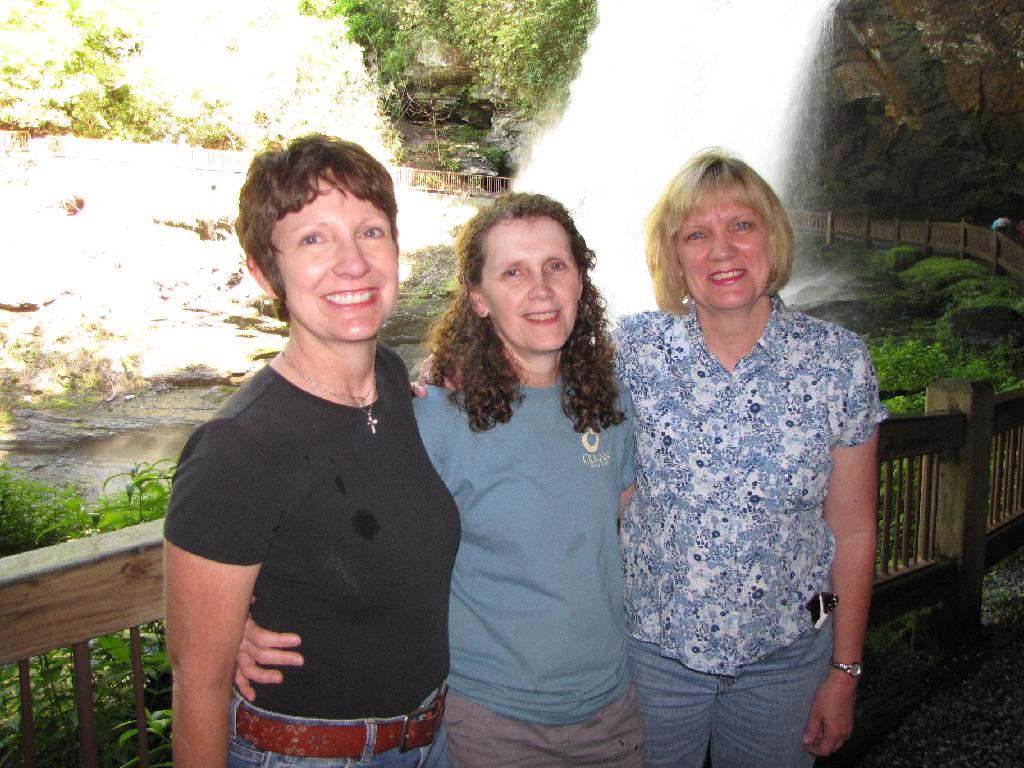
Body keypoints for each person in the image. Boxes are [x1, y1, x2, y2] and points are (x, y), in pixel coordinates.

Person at [235, 192, 646, 767]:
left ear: (581, 279)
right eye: (512, 272)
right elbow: (336, 525)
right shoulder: (435, 416)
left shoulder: (609, 401)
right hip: (491, 720)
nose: (541, 289)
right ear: (478, 298)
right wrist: (239, 617)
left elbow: (608, 523)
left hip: (612, 709)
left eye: (556, 266)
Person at [163, 134, 460, 768]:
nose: (352, 263)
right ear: (264, 273)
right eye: (313, 239)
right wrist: (224, 629)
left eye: (370, 232)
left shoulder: (391, 378)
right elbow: (199, 684)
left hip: (430, 742)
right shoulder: (236, 448)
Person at [616, 148, 885, 767]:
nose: (722, 250)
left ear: (773, 237)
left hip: (786, 661)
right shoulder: (629, 352)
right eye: (696, 234)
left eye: (741, 225)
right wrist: (445, 381)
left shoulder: (838, 363)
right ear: (673, 257)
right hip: (652, 658)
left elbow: (852, 529)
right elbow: (529, 369)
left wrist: (845, 670)